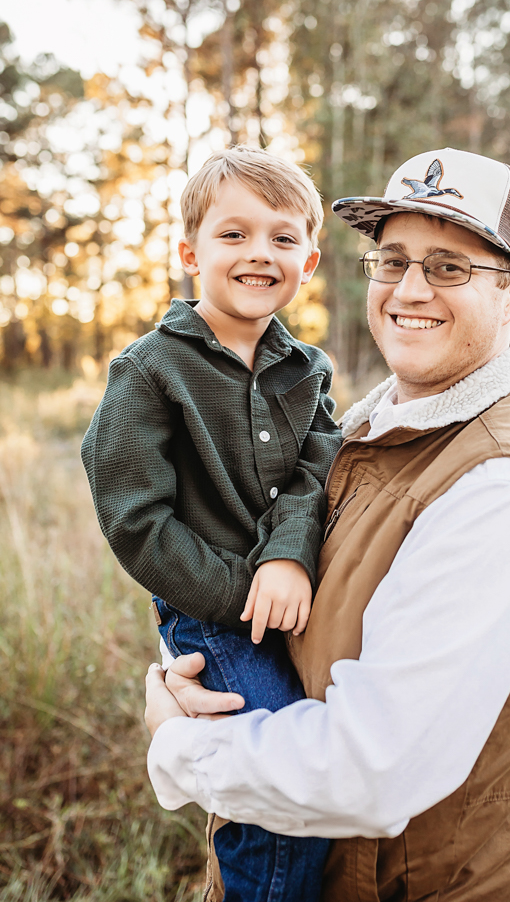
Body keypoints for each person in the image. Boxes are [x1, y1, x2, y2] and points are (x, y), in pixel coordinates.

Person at [144, 147, 510, 902]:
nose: (409, 290)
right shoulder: (360, 430)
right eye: (392, 261)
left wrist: (178, 741)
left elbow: (372, 770)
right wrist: (188, 677)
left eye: (450, 267)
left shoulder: (506, 493)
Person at [81, 146, 342, 902]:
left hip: (287, 599)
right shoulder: (149, 370)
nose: (260, 252)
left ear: (310, 260)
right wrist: (241, 595)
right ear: (191, 251)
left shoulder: (309, 370)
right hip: (211, 614)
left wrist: (287, 557)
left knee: (307, 765)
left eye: (282, 237)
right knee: (278, 784)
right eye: (235, 234)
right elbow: (134, 520)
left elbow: (317, 471)